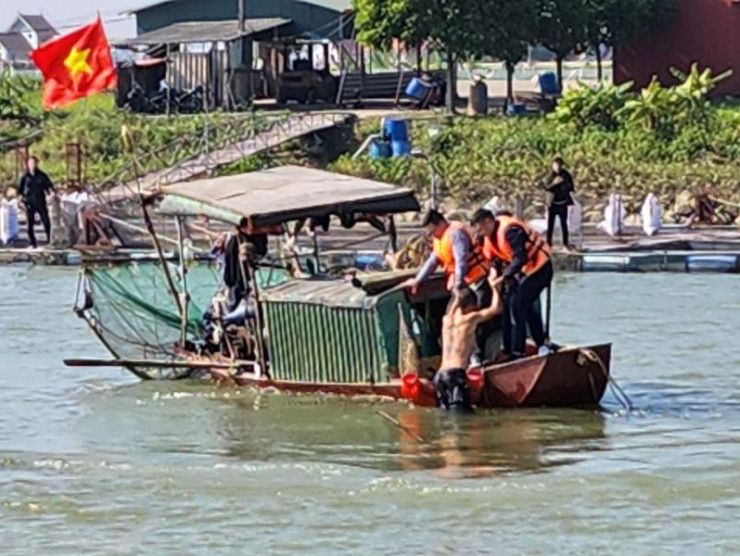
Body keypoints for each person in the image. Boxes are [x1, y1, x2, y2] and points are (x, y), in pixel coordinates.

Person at [401, 209, 493, 364]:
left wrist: (457, 286)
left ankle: (479, 357)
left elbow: (461, 261)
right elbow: (433, 260)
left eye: (433, 231)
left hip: (477, 281)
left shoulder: (456, 234)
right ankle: (465, 357)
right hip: (462, 286)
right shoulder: (439, 238)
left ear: (441, 224)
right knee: (452, 318)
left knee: (475, 320)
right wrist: (418, 280)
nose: (432, 236)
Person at [472, 208, 553, 361]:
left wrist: (503, 278)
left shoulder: (511, 231)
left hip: (540, 270)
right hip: (524, 273)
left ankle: (519, 351)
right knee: (509, 303)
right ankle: (510, 348)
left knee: (518, 304)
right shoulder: (489, 238)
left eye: (481, 229)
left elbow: (520, 258)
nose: (480, 234)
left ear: (489, 222)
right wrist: (495, 272)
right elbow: (495, 260)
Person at [435, 285, 502, 412]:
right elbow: (497, 308)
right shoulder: (470, 319)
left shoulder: (446, 320)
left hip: (440, 377)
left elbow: (454, 307)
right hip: (455, 375)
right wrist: (494, 287)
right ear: (470, 305)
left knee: (446, 418)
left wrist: (456, 298)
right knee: (461, 419)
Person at [18, 156, 55, 249]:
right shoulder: (25, 176)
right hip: (29, 203)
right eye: (30, 163)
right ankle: (32, 243)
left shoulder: (42, 175)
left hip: (40, 202)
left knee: (46, 222)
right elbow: (19, 190)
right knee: (30, 224)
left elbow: (49, 187)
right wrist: (20, 200)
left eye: (34, 163)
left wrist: (51, 194)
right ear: (28, 164)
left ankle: (50, 241)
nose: (32, 165)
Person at [544, 156, 574, 248]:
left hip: (562, 203)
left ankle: (565, 243)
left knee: (564, 224)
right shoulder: (550, 176)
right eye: (556, 165)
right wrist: (555, 183)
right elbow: (546, 187)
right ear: (553, 166)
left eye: (559, 165)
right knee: (550, 225)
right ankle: (548, 243)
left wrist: (564, 186)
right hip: (552, 204)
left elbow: (571, 187)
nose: (557, 167)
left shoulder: (566, 175)